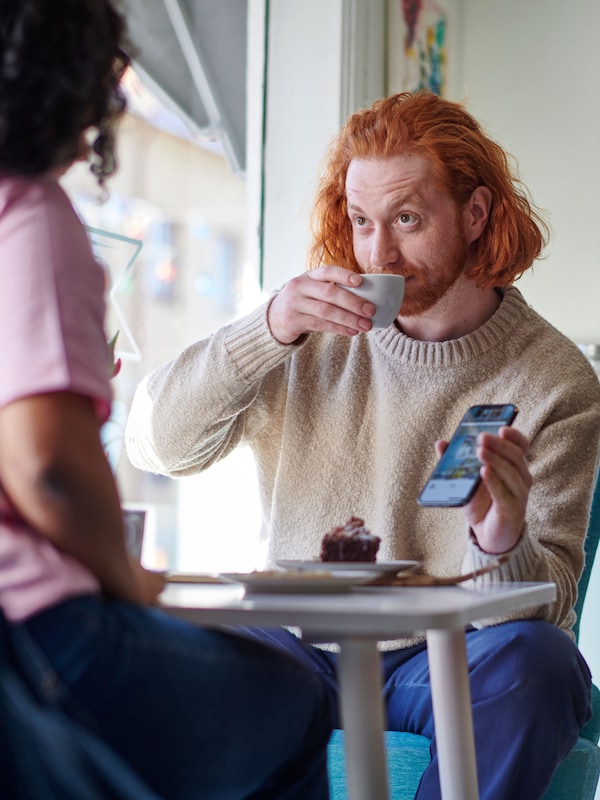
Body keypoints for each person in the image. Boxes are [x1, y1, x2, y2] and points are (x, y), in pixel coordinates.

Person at [125, 90, 600, 799]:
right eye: (360, 221)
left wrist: (501, 543)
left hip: (445, 663)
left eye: (407, 219)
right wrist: (268, 330)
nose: (378, 252)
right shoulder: (305, 335)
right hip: (301, 648)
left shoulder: (553, 378)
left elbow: (547, 607)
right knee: (166, 657)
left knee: (541, 666)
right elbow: (156, 445)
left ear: (476, 214)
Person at [0, 2, 334, 798]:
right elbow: (46, 467)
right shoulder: (34, 219)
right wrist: (128, 579)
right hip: (39, 625)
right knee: (299, 701)